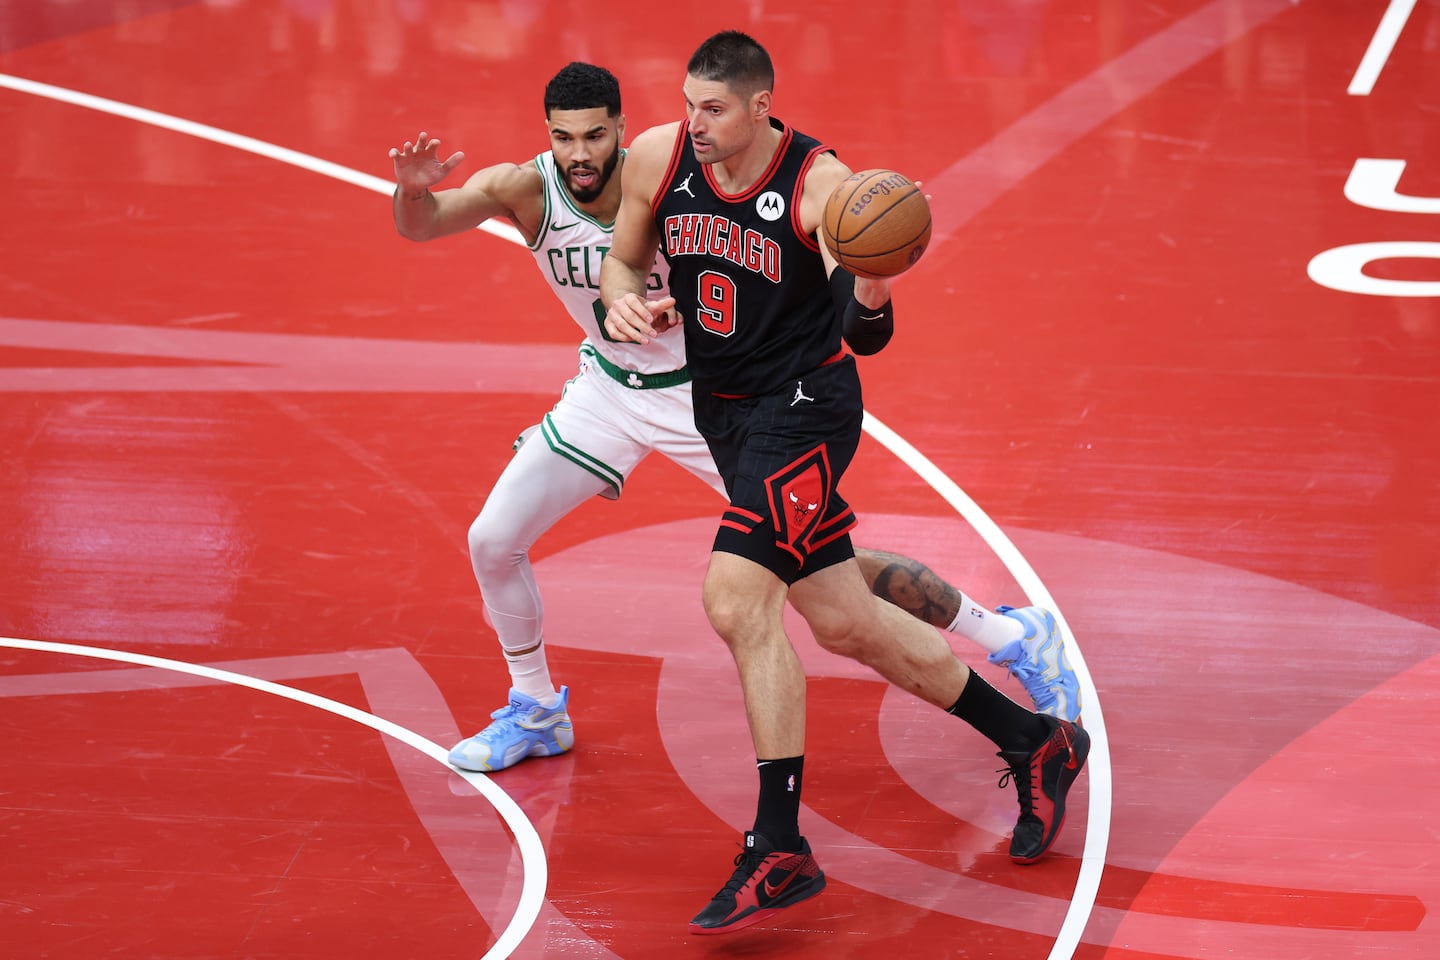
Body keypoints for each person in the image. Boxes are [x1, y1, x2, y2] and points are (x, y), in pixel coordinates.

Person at [388, 62, 1078, 778]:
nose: (581, 154)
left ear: (622, 128)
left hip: (716, 396)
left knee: (825, 575)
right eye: (565, 138)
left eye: (596, 135)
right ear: (548, 135)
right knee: (492, 539)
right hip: (609, 392)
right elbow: (426, 223)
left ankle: (1010, 635)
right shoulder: (525, 189)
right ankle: (536, 709)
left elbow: (754, 279)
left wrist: (697, 308)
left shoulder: (666, 174)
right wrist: (411, 192)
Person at [599, 33, 1089, 935]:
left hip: (806, 410)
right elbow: (622, 260)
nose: (695, 123)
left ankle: (780, 846)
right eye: (689, 104)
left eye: (714, 109)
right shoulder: (659, 158)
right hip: (726, 414)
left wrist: (872, 282)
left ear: (761, 105)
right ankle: (1035, 741)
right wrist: (622, 296)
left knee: (736, 599)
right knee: (845, 621)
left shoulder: (824, 189)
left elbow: (865, 339)